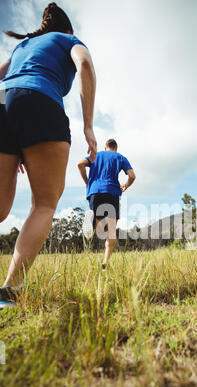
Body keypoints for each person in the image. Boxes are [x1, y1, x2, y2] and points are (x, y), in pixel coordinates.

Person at [0, 2, 97, 308]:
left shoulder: (23, 46)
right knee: (43, 204)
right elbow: (84, 66)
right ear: (68, 29)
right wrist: (89, 126)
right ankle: (9, 291)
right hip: (42, 103)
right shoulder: (69, 40)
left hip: (3, 104)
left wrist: (14, 138)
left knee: (0, 209)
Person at [77, 139, 136, 270]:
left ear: (105, 147)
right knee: (111, 231)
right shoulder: (120, 157)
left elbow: (80, 164)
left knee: (98, 227)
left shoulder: (96, 154)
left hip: (94, 192)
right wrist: (126, 185)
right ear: (116, 147)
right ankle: (105, 263)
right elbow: (132, 176)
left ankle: (94, 221)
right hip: (112, 192)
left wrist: (87, 182)